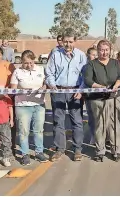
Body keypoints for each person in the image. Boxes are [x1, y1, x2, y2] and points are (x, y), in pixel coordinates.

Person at [45, 30, 87, 162]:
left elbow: (85, 75)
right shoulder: (55, 54)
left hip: (75, 92)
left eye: (70, 41)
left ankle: (77, 149)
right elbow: (49, 72)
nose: (68, 44)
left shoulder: (81, 55)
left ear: (75, 41)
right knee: (58, 121)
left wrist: (80, 90)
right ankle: (59, 149)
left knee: (77, 121)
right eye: (65, 41)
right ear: (61, 41)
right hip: (58, 91)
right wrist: (52, 85)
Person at [84, 40, 120, 162]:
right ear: (98, 51)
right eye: (102, 50)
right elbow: (88, 80)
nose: (104, 52)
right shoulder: (91, 64)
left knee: (114, 125)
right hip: (98, 99)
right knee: (100, 126)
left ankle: (116, 151)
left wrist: (116, 86)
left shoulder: (115, 63)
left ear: (110, 50)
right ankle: (100, 151)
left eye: (107, 50)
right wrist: (100, 87)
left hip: (114, 98)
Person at [10, 50, 48, 166]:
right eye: (26, 63)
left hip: (39, 104)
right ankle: (25, 154)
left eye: (31, 62)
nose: (29, 65)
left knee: (39, 130)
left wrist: (44, 87)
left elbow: (47, 83)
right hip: (23, 105)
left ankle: (39, 152)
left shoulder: (40, 69)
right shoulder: (17, 72)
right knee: (24, 131)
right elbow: (13, 88)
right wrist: (20, 90)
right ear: (21, 61)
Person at [83, 47, 98, 144]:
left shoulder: (100, 66)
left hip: (99, 95)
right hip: (88, 96)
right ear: (88, 55)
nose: (95, 56)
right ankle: (93, 135)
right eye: (93, 54)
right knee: (91, 117)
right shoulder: (85, 67)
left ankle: (102, 136)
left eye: (96, 55)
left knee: (100, 117)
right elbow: (84, 81)